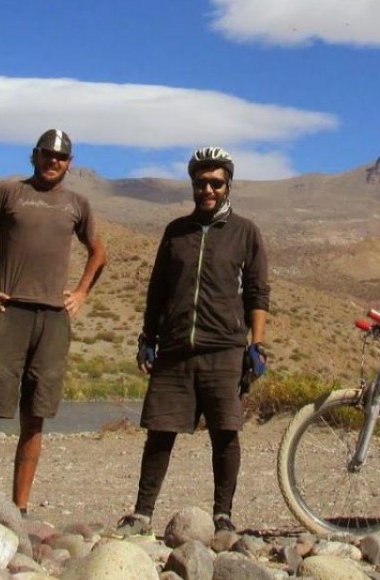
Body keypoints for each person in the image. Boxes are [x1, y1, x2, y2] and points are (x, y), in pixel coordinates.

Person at [0, 128, 108, 513]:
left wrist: (82, 291)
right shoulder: (10, 194)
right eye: (47, 154)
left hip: (53, 319)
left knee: (35, 418)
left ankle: (20, 511)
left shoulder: (77, 205)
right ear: (34, 156)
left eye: (61, 157)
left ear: (69, 163)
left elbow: (99, 252)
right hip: (9, 313)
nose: (54, 162)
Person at [115, 146, 270, 536]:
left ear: (228, 184)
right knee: (160, 432)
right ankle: (142, 513)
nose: (208, 189)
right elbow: (157, 291)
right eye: (201, 182)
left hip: (224, 348)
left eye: (216, 182)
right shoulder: (176, 231)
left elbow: (257, 293)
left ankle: (222, 515)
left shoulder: (245, 232)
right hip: (175, 349)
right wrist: (147, 338)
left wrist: (257, 344)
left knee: (225, 434)